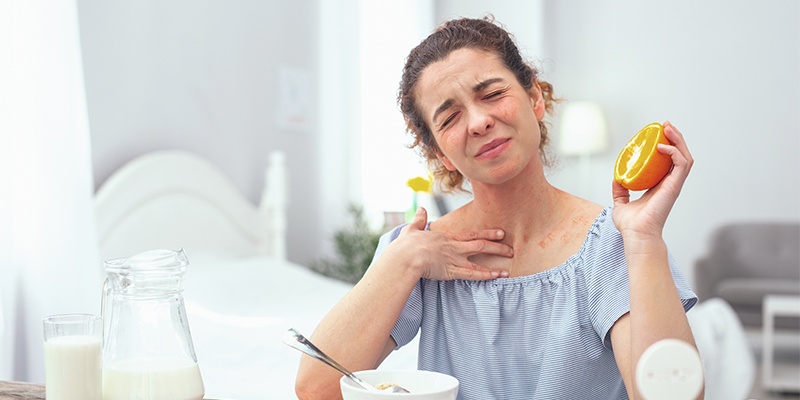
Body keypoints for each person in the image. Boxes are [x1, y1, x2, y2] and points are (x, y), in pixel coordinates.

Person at [296, 15, 701, 400]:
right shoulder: (417, 253)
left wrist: (644, 240)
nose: (477, 122)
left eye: (491, 95)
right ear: (441, 155)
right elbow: (318, 390)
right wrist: (403, 260)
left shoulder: (613, 245)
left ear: (534, 98)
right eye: (450, 118)